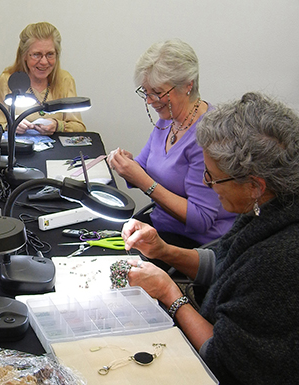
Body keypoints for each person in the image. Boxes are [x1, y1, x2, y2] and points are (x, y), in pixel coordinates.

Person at [122, 92, 299, 384]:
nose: (207, 183)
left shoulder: (279, 262)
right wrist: (164, 250)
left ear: (255, 185)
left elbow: (223, 361)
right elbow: (227, 262)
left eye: (213, 177)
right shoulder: (269, 205)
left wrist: (170, 294)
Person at [108, 39, 235, 248]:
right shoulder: (168, 120)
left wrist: (142, 181)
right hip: (162, 226)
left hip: (193, 243)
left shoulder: (208, 136)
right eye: (145, 92)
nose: (149, 100)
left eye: (157, 92)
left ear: (188, 85)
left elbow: (201, 219)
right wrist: (127, 165)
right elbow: (143, 168)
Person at [0, 21, 86, 135]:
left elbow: (79, 127)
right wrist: (10, 125)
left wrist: (57, 125)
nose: (44, 62)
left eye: (50, 54)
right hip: (19, 150)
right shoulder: (8, 80)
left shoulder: (65, 80)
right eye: (36, 54)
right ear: (24, 55)